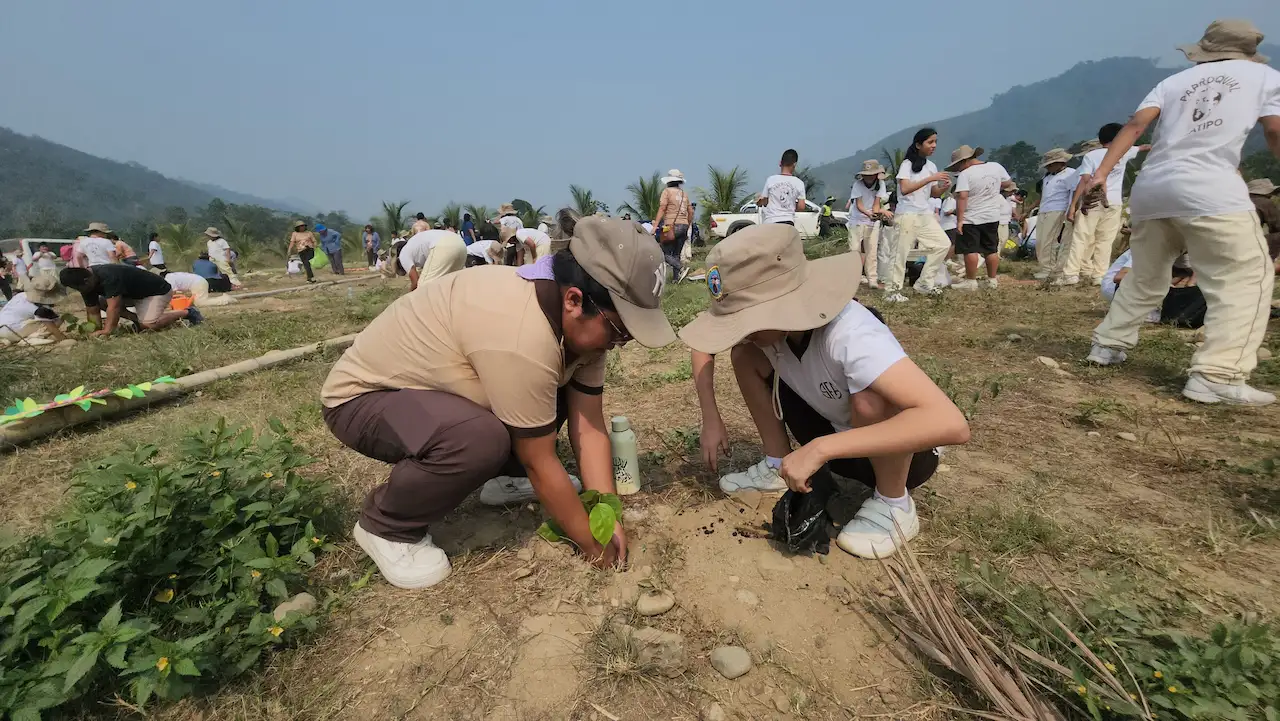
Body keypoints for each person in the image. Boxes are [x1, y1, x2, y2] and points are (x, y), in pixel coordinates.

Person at [319, 217, 676, 588]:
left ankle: (504, 477)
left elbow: (589, 424)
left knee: (549, 392)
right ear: (574, 300)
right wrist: (590, 543)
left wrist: (607, 515)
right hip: (365, 399)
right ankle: (387, 524)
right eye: (620, 330)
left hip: (438, 393)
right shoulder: (523, 332)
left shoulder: (577, 321)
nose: (621, 342)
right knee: (479, 439)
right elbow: (540, 459)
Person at [682, 225, 969, 558]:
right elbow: (702, 348)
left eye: (744, 319)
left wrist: (821, 449)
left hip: (898, 450)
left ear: (782, 305)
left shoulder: (851, 332)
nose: (739, 329)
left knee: (874, 393)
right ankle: (777, 463)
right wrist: (710, 416)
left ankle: (894, 504)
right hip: (837, 439)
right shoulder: (775, 331)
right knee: (744, 353)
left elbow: (952, 424)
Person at [1085, 18, 1280, 406]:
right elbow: (1274, 130)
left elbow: (1137, 125)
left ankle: (1107, 344)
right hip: (1210, 190)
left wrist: (1101, 174)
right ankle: (1217, 374)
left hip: (1152, 190)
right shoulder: (1265, 77)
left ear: (1204, 50)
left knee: (1146, 274)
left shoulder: (1173, 83)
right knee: (1246, 277)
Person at [1053, 124, 1152, 286]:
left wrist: (1074, 205)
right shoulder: (1123, 153)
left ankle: (1071, 274)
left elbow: (1085, 180)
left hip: (1092, 201)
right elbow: (1142, 147)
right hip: (1114, 202)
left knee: (1081, 238)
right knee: (1105, 240)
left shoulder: (1092, 156)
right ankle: (1099, 275)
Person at [886, 128, 953, 301]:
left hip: (925, 214)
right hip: (907, 214)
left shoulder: (931, 167)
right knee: (900, 253)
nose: (934, 146)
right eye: (930, 142)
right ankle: (892, 290)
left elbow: (933, 193)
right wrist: (929, 179)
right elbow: (905, 189)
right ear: (918, 144)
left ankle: (924, 283)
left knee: (942, 244)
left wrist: (943, 187)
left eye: (935, 142)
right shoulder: (907, 164)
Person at [59, 264, 200, 336]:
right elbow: (92, 310)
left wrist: (107, 331)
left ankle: (187, 312)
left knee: (150, 325)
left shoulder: (109, 276)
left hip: (156, 292)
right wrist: (94, 331)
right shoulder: (86, 285)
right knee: (102, 302)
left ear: (87, 279)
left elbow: (113, 308)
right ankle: (138, 321)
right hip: (133, 296)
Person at [949, 145, 1011, 290]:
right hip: (992, 216)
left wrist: (959, 220)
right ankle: (992, 279)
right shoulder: (995, 167)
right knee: (991, 249)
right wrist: (991, 188)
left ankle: (971, 281)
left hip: (972, 217)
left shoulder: (966, 174)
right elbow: (1007, 182)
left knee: (970, 249)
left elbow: (962, 197)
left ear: (963, 161)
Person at [1032, 149, 1079, 279]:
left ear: (1060, 162)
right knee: (1040, 241)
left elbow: (1073, 193)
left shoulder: (1070, 174)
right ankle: (1044, 266)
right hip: (1044, 210)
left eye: (1050, 164)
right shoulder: (1047, 176)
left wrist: (1071, 210)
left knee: (1050, 240)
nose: (1048, 167)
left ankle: (1049, 268)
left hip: (1058, 209)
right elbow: (1042, 196)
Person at [846, 160, 888, 289]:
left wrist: (877, 213)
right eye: (866, 175)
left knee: (871, 250)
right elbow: (858, 205)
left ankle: (872, 280)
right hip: (857, 219)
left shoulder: (880, 185)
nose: (868, 177)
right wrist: (868, 214)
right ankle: (853, 278)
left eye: (871, 174)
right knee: (854, 249)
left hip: (872, 220)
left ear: (876, 174)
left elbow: (876, 204)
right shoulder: (857, 185)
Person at [653, 169, 692, 281]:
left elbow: (662, 208)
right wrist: (687, 225)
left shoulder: (667, 191)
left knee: (663, 252)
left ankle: (680, 268)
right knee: (676, 254)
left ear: (669, 181)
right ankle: (676, 279)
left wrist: (655, 226)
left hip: (671, 226)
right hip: (684, 225)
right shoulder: (684, 194)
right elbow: (691, 211)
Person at [398, 228, 468, 291]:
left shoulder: (402, 254)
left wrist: (408, 296)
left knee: (423, 288)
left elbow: (415, 281)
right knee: (452, 284)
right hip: (460, 243)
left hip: (443, 244)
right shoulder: (413, 244)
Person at [758, 149, 807, 225]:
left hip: (771, 221)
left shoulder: (771, 180)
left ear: (780, 163)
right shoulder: (799, 183)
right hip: (788, 222)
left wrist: (759, 202)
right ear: (794, 164)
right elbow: (801, 206)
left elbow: (764, 201)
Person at [0, 292, 66, 346]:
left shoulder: (21, 295)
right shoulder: (39, 309)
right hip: (11, 331)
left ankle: (5, 339)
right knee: (56, 321)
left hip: (1, 326)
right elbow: (53, 328)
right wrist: (64, 339)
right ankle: (30, 338)